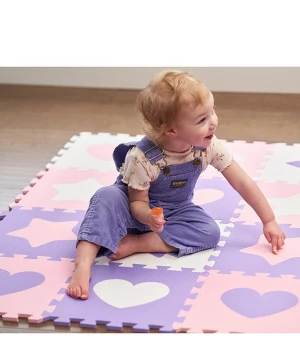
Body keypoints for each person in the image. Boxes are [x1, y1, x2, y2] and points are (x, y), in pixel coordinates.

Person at [67, 70, 286, 300]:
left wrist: (269, 220)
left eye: (212, 111)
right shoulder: (142, 158)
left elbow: (242, 182)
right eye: (202, 120)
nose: (213, 123)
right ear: (172, 130)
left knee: (210, 232)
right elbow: (137, 202)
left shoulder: (209, 147)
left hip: (176, 209)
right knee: (105, 196)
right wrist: (148, 216)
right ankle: (83, 265)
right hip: (133, 206)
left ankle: (138, 243)